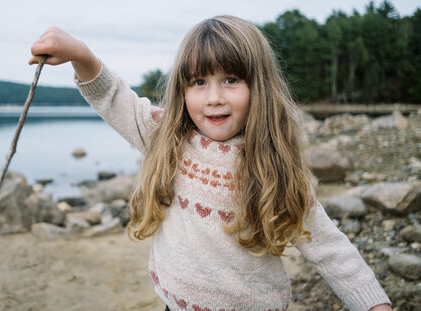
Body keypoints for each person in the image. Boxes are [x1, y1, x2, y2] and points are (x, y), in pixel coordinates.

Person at [29, 16, 392, 311]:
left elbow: (331, 249)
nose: (214, 97)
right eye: (199, 82)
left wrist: (375, 305)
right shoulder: (166, 139)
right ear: (182, 91)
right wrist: (80, 54)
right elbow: (113, 97)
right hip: (175, 303)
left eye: (231, 80)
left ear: (258, 87)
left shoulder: (274, 167)